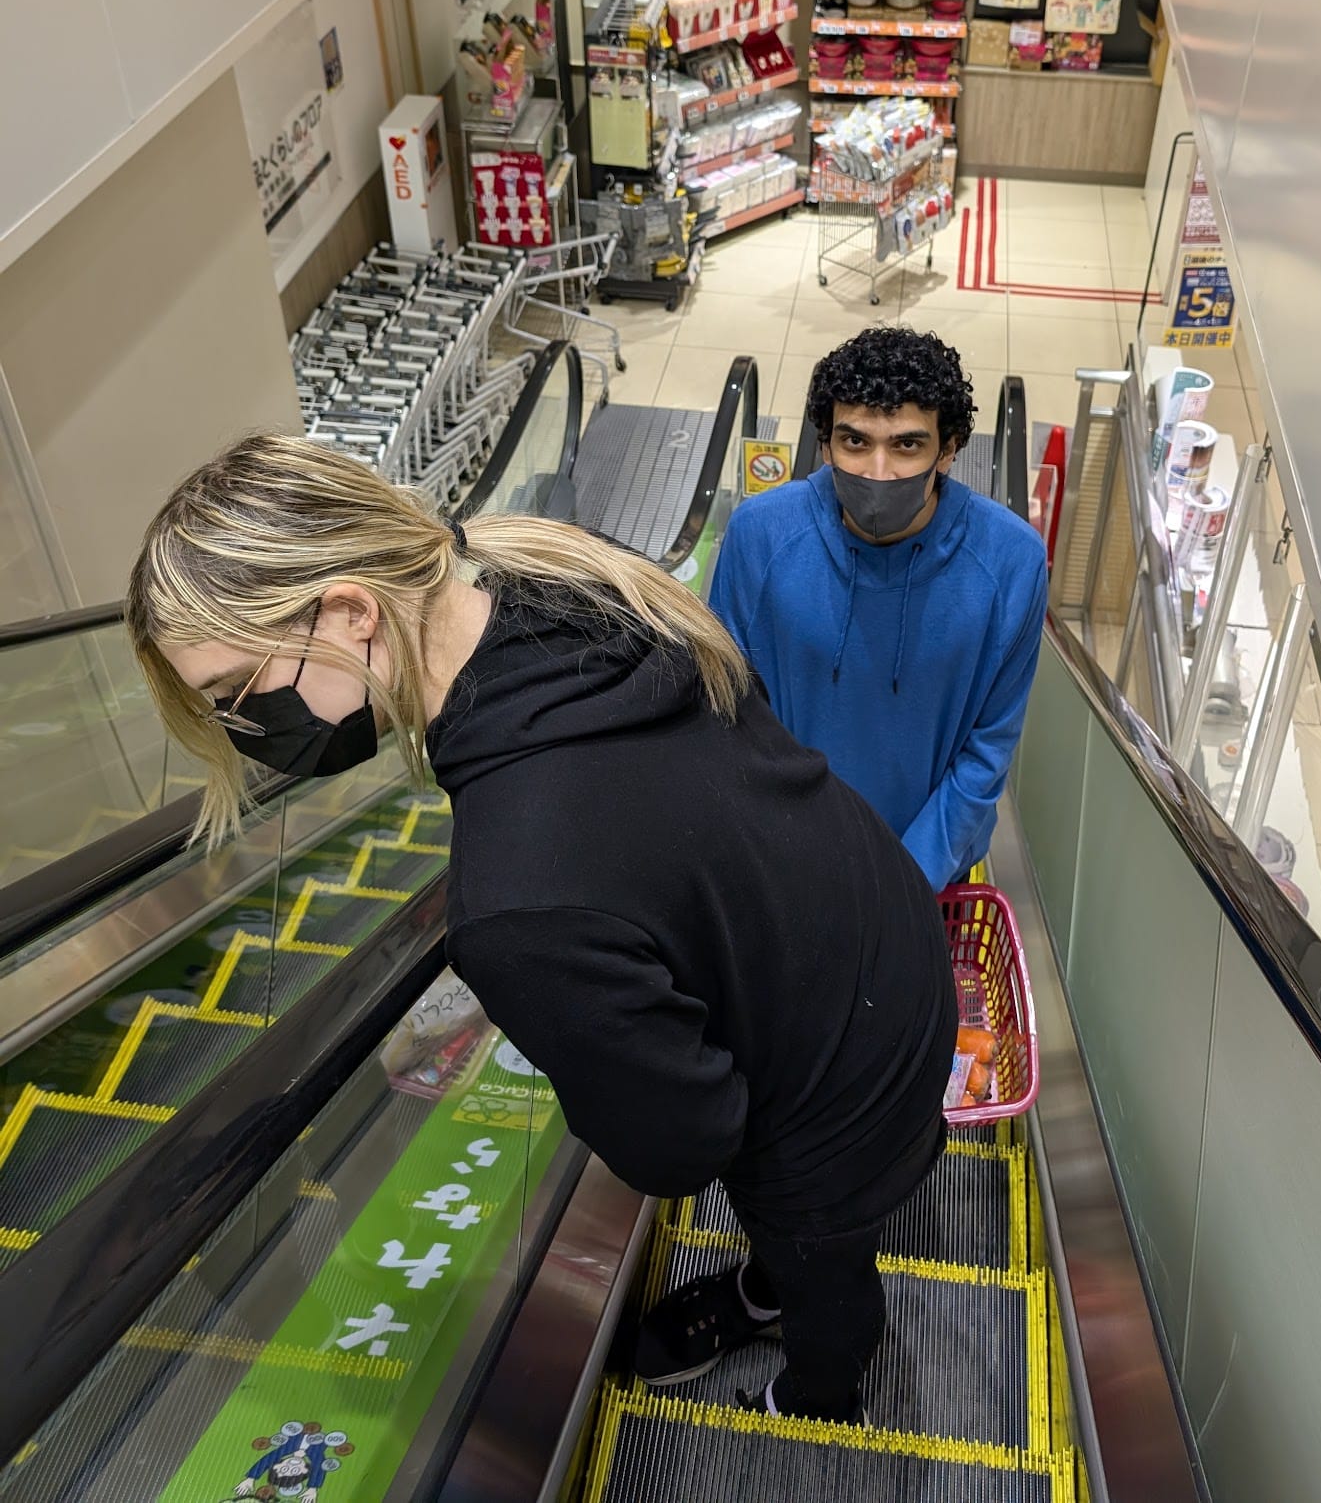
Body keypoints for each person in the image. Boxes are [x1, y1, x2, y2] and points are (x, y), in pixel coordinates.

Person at [125, 433, 955, 1427]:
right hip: (876, 927)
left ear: (348, 610)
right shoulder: (545, 570)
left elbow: (684, 1143)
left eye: (233, 693)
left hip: (830, 1098)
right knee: (805, 1246)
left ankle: (817, 1393)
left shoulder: (518, 899)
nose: (242, 732)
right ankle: (765, 1291)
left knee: (828, 1263)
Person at [709, 327, 1047, 890]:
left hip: (927, 874)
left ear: (950, 449)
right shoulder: (760, 537)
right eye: (856, 442)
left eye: (908, 445)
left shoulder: (1011, 562)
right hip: (785, 857)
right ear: (824, 443)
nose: (878, 472)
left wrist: (900, 884)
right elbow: (728, 708)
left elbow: (988, 745)